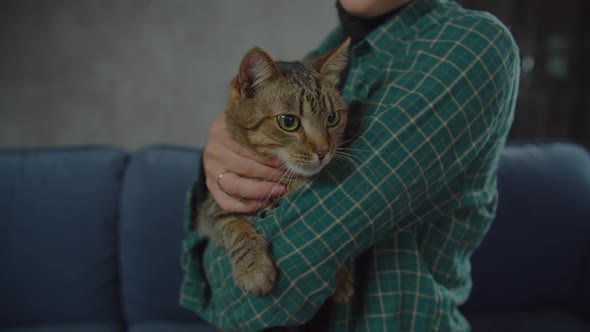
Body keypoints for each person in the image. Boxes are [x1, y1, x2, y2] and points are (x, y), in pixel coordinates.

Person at [180, 0, 521, 330]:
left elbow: (238, 296)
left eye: (331, 120)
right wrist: (216, 161)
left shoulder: (469, 45)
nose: (322, 148)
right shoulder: (331, 51)